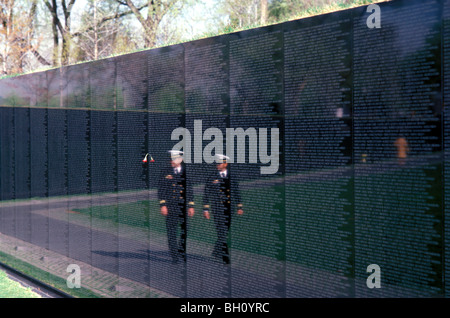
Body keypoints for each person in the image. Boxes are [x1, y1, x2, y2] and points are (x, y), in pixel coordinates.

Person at [203, 154, 243, 264]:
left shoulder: (232, 176)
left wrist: (239, 206)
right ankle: (225, 257)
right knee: (221, 231)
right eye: (217, 163)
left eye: (219, 163)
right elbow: (206, 193)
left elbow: (236, 192)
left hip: (229, 209)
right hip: (217, 209)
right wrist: (205, 209)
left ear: (225, 164)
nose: (217, 165)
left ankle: (216, 251)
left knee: (224, 232)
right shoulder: (212, 177)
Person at [158, 150, 195, 264]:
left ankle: (180, 250)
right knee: (171, 232)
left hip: (182, 207)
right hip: (170, 207)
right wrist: (163, 205)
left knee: (185, 230)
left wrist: (191, 205)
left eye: (174, 159)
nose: (171, 161)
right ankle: (174, 256)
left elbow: (189, 190)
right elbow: (161, 190)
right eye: (171, 158)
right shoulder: (165, 172)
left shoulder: (185, 172)